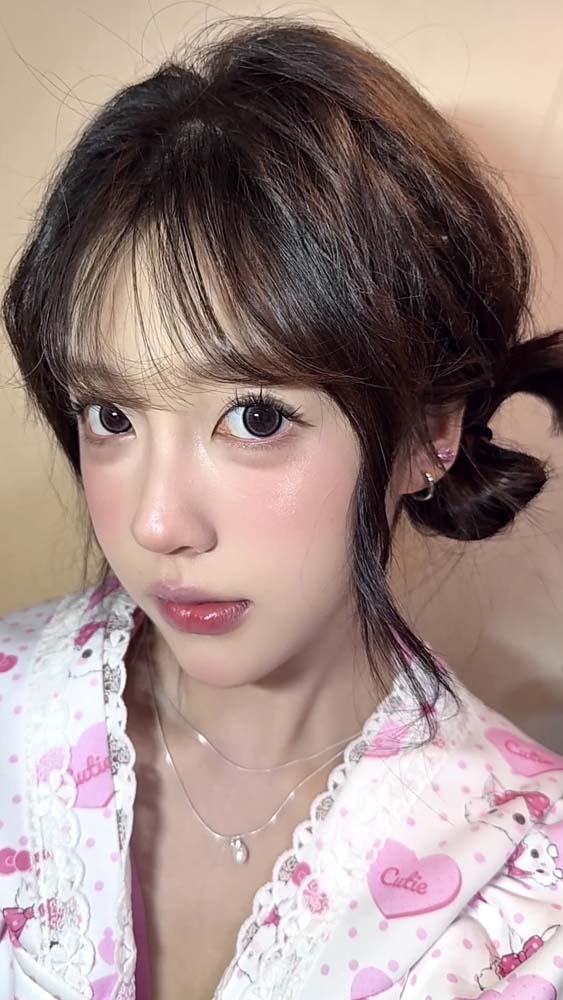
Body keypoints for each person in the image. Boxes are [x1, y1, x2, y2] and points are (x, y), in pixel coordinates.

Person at [1, 16, 563, 1000]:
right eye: (110, 415)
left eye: (255, 417)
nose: (157, 525)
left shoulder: (526, 892)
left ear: (428, 432)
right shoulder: (15, 712)